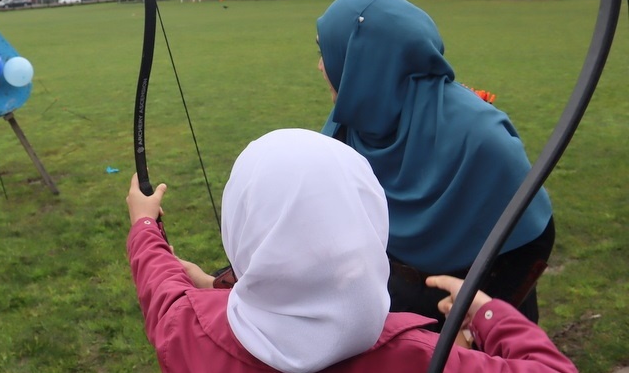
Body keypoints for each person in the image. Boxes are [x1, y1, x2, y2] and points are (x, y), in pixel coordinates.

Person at [126, 128, 576, 372]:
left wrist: (146, 225)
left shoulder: (184, 331)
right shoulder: (425, 358)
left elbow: (159, 283)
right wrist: (486, 314)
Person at [315, 0, 555, 328]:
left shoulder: (480, 138)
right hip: (392, 311)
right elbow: (312, 220)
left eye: (329, 51)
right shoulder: (351, 125)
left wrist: (476, 328)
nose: (321, 66)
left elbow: (532, 240)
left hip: (476, 316)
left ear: (366, 58)